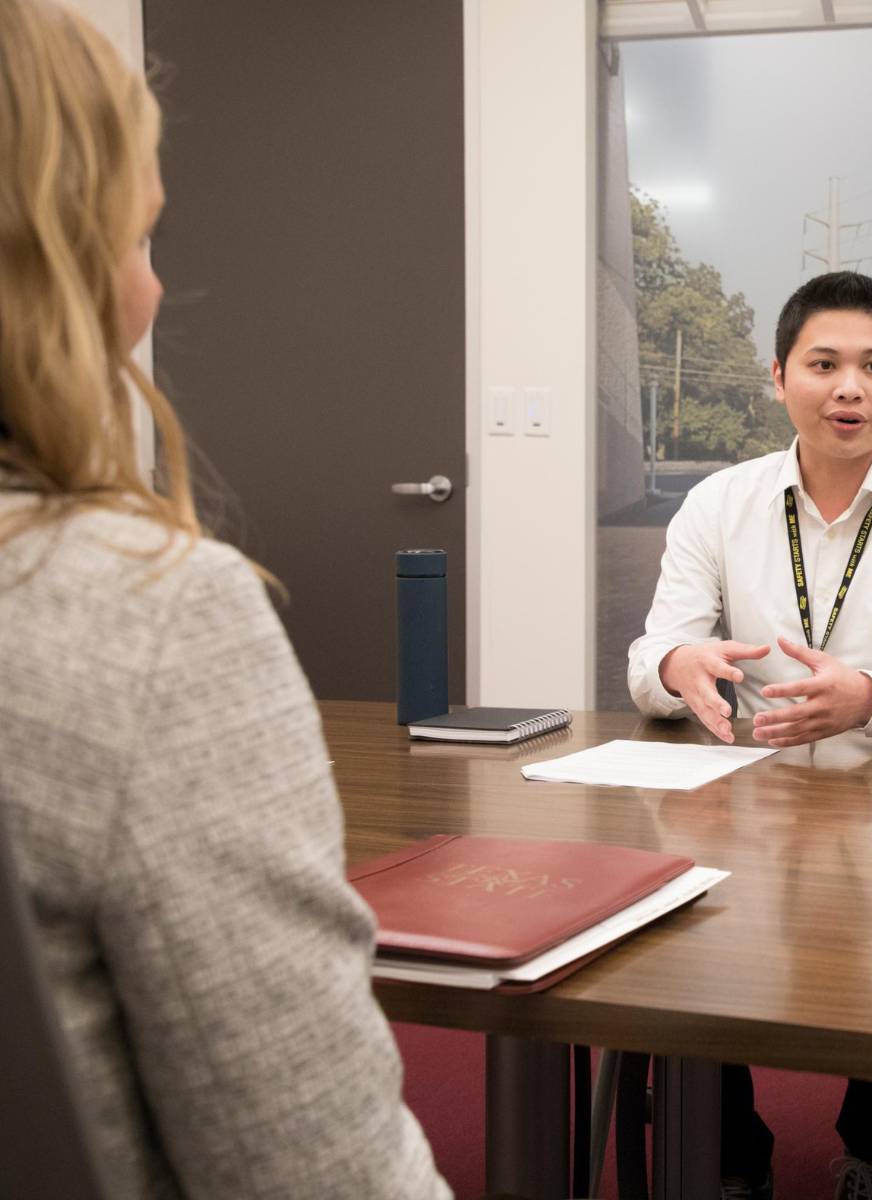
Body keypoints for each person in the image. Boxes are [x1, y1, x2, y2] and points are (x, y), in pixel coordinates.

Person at [0, 3, 447, 1197]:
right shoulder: (141, 612)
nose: (151, 291)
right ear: (55, 262)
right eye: (141, 238)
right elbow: (321, 1172)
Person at [627, 270, 872, 1199]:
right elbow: (655, 651)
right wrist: (678, 670)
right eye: (824, 363)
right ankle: (727, 1158)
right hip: (744, 796)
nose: (849, 387)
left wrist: (871, 701)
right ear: (778, 378)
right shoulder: (718, 504)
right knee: (690, 937)